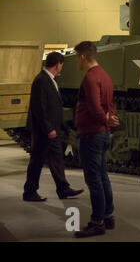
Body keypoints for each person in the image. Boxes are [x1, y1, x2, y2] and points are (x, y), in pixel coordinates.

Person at [72, 41, 120, 238]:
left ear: (82, 56)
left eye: (77, 57)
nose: (76, 61)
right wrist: (108, 119)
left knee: (93, 179)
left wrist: (104, 119)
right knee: (102, 176)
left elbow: (93, 106)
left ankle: (97, 222)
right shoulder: (104, 75)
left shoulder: (90, 78)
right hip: (102, 133)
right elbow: (109, 104)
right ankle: (108, 216)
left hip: (92, 133)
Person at [23, 52, 84, 201]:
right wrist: (48, 128)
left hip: (52, 129)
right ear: (58, 64)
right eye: (61, 64)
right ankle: (29, 192)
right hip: (45, 130)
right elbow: (39, 108)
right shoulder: (41, 81)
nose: (61, 67)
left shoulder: (49, 80)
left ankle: (63, 189)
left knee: (57, 159)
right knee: (37, 160)